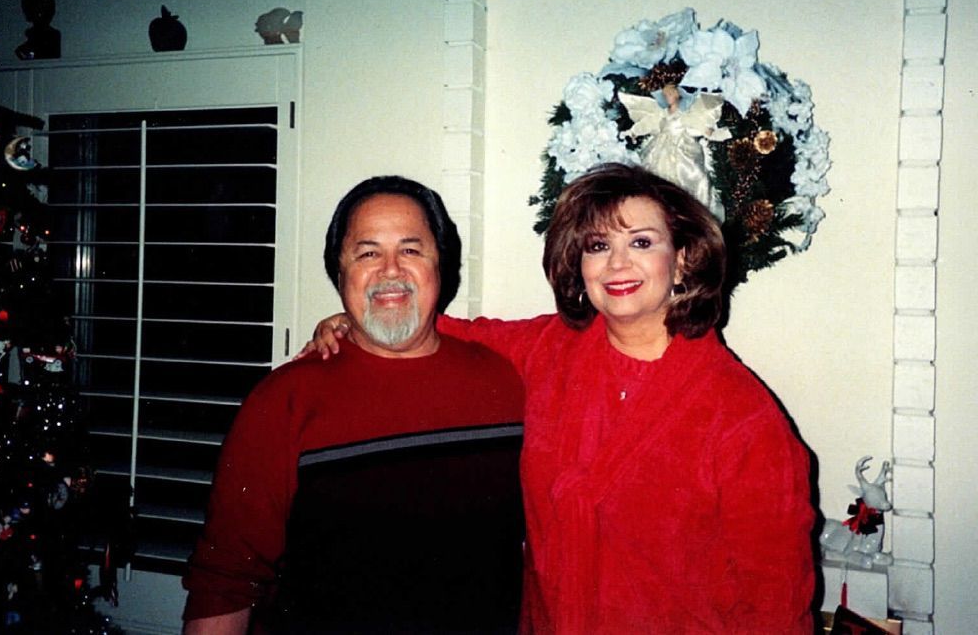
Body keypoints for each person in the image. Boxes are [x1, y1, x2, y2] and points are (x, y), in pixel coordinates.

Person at [306, 163, 816, 633]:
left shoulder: (741, 416)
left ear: (682, 259)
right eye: (597, 245)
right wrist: (359, 319)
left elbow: (776, 605)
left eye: (641, 242)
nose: (617, 263)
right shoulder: (549, 349)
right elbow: (450, 333)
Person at [183, 176, 526, 634]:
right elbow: (225, 578)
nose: (390, 270)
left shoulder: (504, 382)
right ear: (340, 274)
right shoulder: (284, 400)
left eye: (411, 250)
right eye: (367, 254)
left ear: (440, 266)